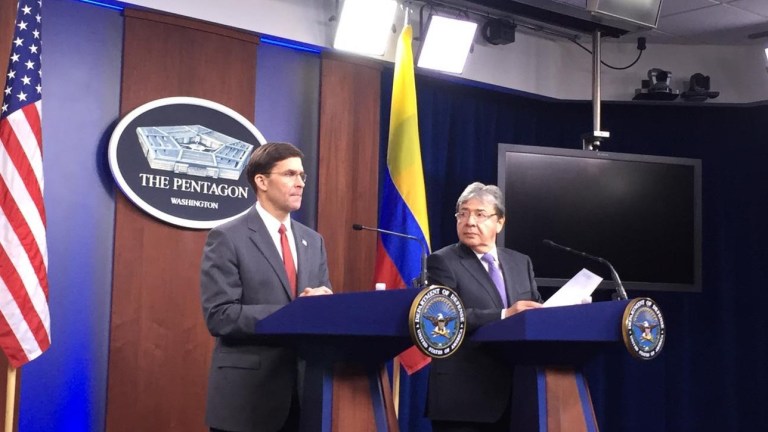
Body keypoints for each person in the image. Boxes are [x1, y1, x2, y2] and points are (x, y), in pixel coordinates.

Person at [200, 142, 332, 432]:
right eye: (289, 174)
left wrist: (325, 307)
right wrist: (293, 312)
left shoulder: (314, 241)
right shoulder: (227, 237)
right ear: (261, 181)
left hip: (305, 398)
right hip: (247, 401)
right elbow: (220, 316)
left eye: (302, 175)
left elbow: (320, 307)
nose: (300, 183)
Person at [426, 182, 543, 432]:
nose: (469, 222)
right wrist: (504, 314)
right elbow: (444, 318)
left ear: (499, 222)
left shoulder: (521, 262)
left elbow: (535, 309)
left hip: (519, 394)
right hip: (465, 397)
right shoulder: (442, 262)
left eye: (480, 214)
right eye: (463, 214)